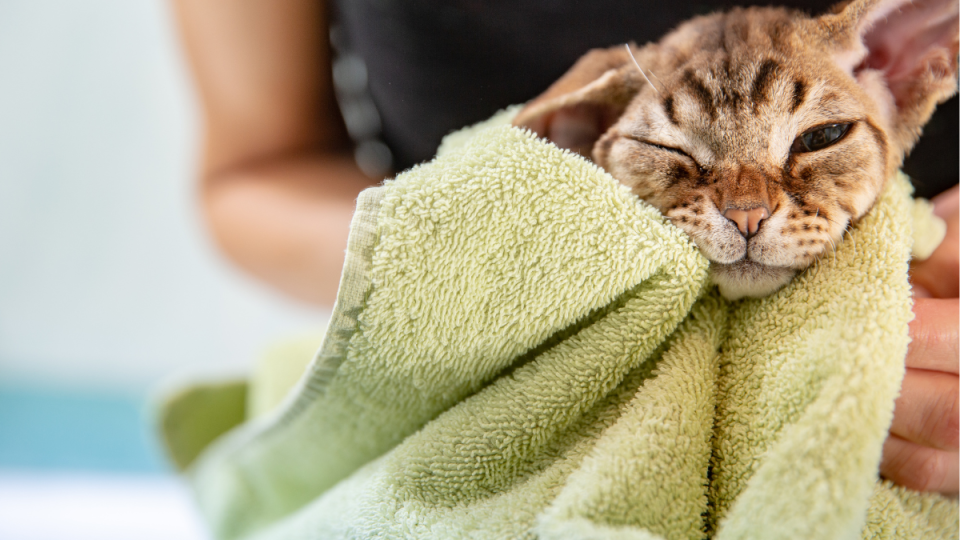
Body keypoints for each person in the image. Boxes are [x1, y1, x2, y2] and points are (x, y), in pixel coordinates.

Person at [171, 0, 958, 494]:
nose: (749, 210)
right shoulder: (573, 128)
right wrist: (497, 253)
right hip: (498, 383)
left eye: (816, 136)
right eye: (676, 155)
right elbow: (254, 171)